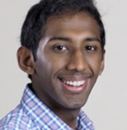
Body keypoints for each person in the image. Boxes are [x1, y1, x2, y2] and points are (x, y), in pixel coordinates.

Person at [0, 0, 106, 129]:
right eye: (60, 47)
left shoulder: (84, 125)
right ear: (27, 60)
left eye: (89, 48)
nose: (79, 65)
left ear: (101, 61)